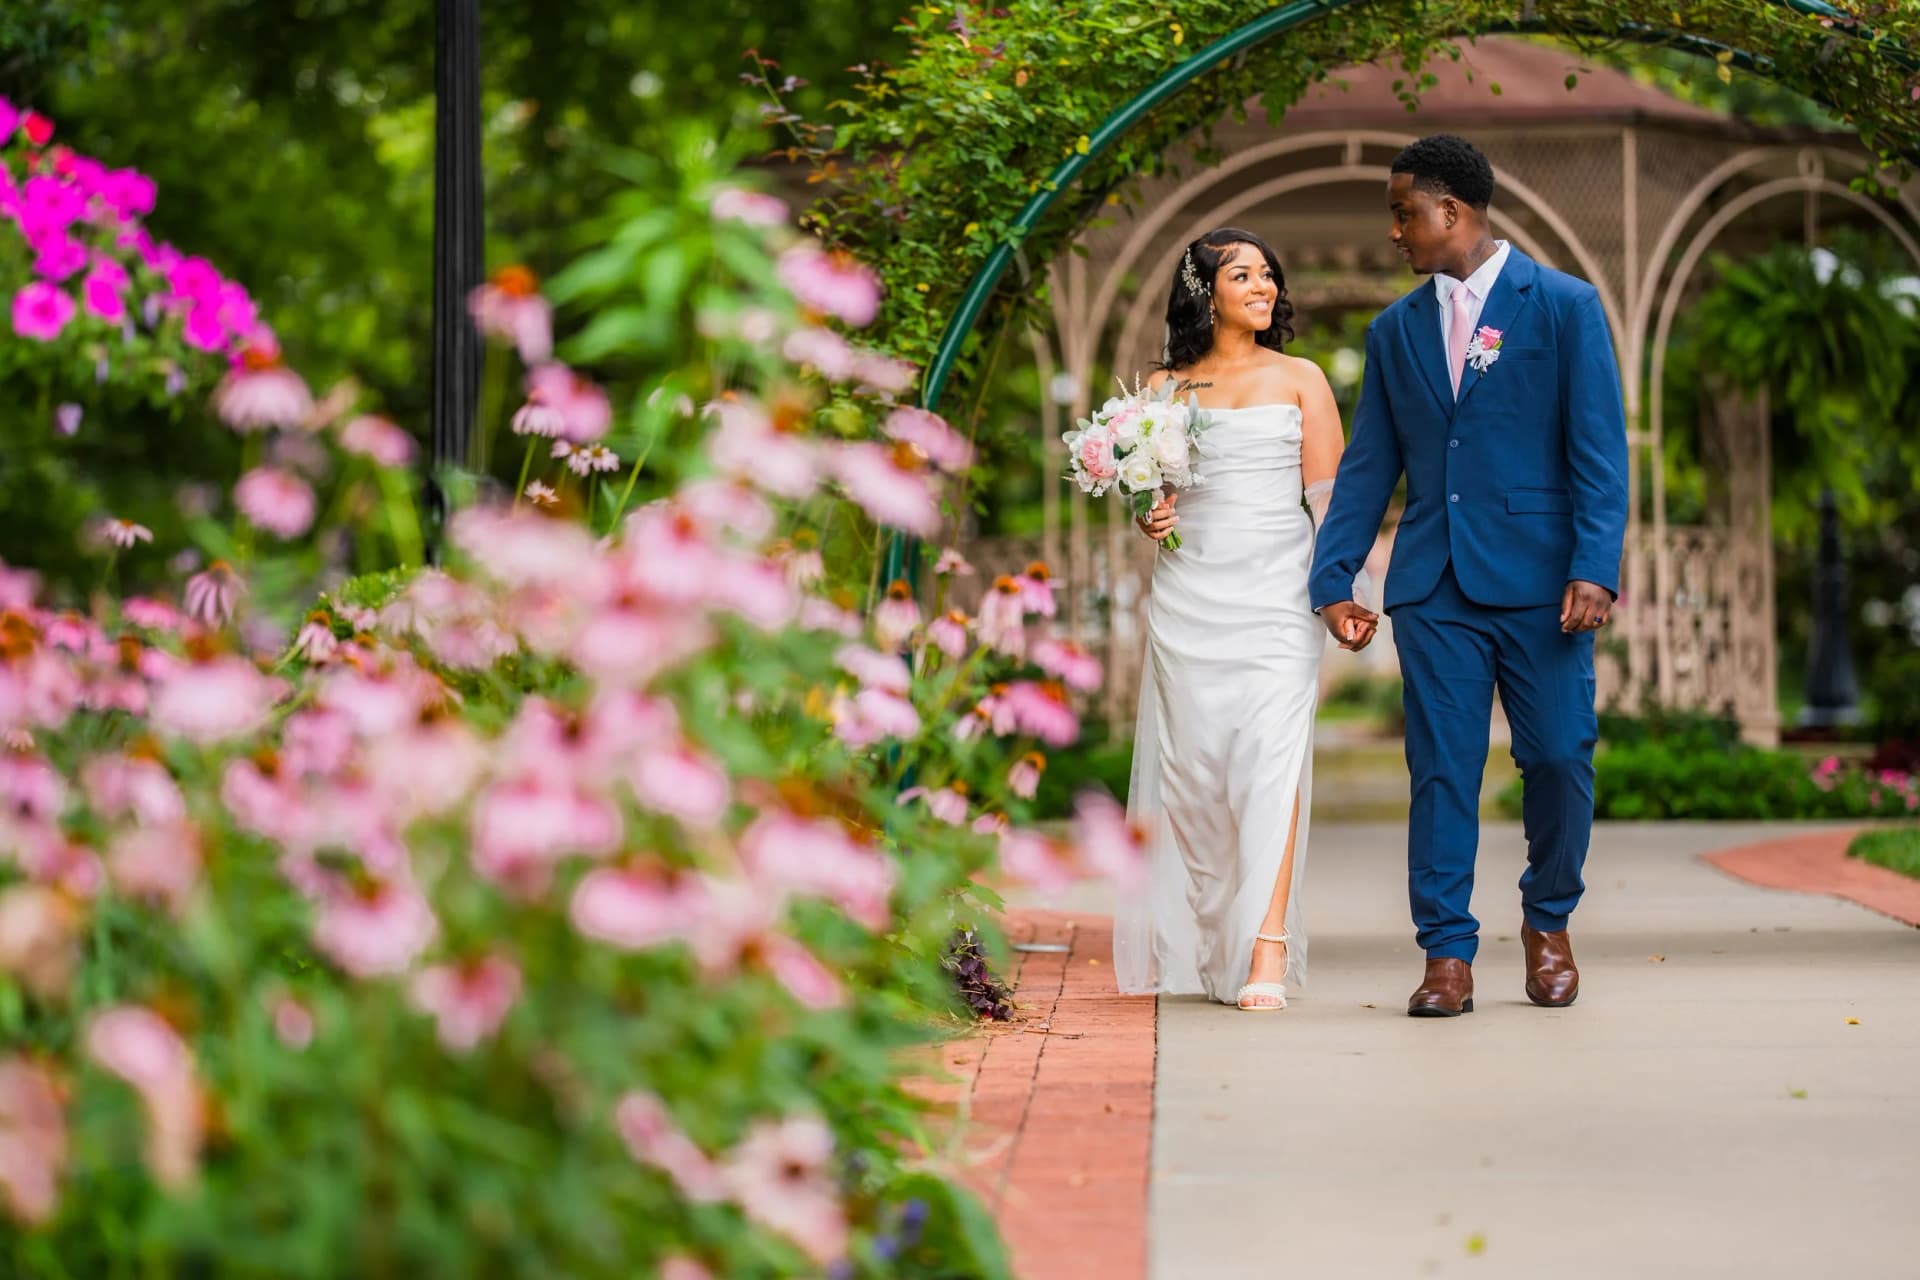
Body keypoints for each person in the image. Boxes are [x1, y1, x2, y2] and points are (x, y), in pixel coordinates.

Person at [1308, 134, 1629, 1017]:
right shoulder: (1394, 331)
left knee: (1560, 757)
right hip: (1435, 586)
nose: (1395, 233)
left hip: (1545, 585)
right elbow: (1371, 465)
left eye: (1403, 213)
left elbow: (1600, 452)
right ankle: (1446, 954)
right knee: (1441, 770)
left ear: (1451, 210)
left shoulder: (1564, 306)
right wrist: (1334, 579)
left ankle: (1548, 919)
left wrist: (1596, 566)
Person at [1112, 227, 1366, 1011]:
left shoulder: (1302, 379)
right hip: (1191, 594)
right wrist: (1147, 517)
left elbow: (1330, 503)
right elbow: (1148, 495)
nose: (1263, 287)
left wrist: (1340, 593)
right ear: (1205, 292)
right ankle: (1215, 932)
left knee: (1271, 758)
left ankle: (1267, 945)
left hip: (1278, 596)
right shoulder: (1161, 388)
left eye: (1267, 274)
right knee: (1194, 779)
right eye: (1243, 275)